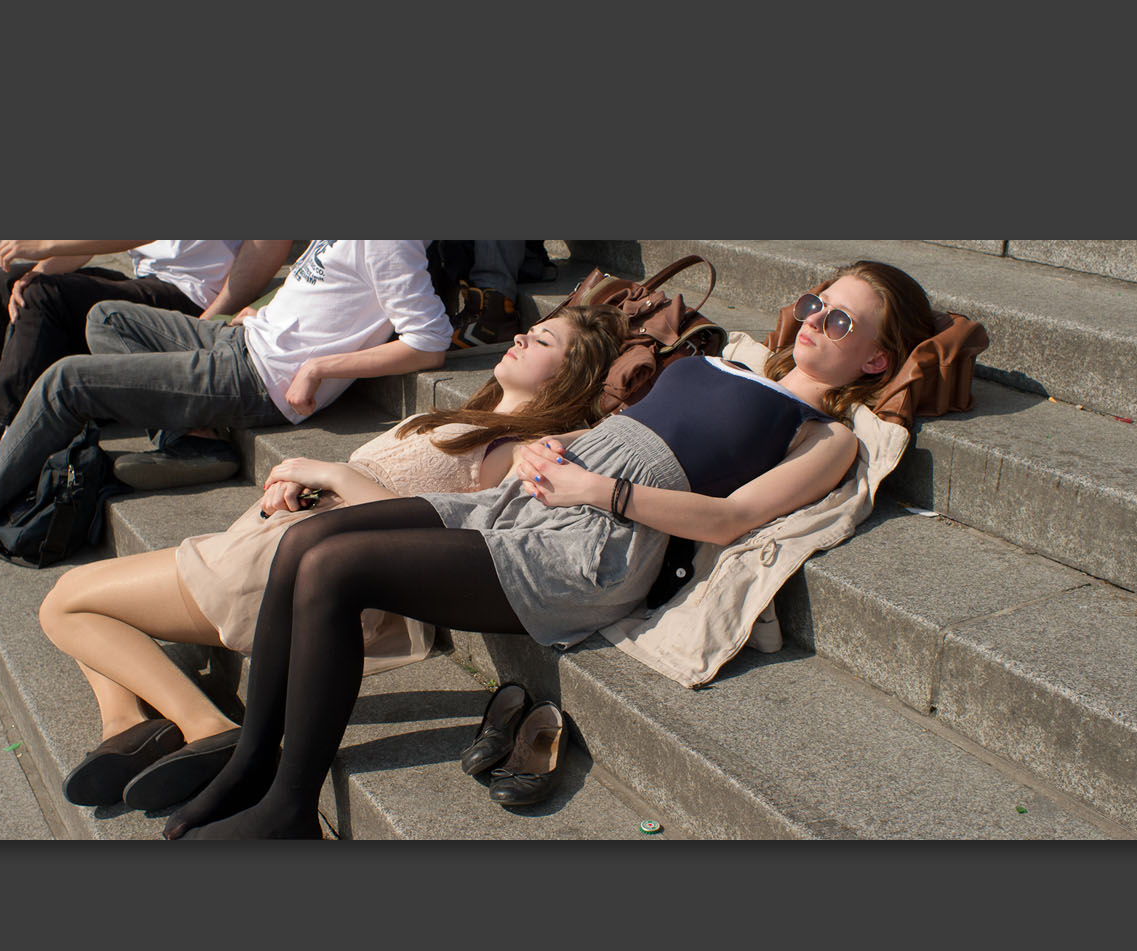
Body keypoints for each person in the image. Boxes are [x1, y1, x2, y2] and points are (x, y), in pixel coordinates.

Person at [155, 260, 943, 839]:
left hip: (595, 546)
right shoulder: (723, 360)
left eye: (842, 320)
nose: (814, 320)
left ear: (877, 360)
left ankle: (289, 808)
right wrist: (552, 450)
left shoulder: (827, 436)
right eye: (816, 301)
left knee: (336, 566)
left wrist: (600, 492)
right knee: (309, 540)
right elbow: (621, 432)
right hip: (532, 497)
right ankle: (251, 766)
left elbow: (731, 519)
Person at [34, 306, 629, 810]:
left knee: (66, 606)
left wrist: (329, 473)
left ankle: (206, 727)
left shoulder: (516, 449)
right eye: (533, 327)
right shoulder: (474, 419)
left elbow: (428, 530)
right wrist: (306, 484)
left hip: (298, 562)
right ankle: (127, 728)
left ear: (568, 378)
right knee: (87, 602)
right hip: (285, 534)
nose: (522, 334)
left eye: (544, 339)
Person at [0, 240, 453, 558]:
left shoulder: (389, 240)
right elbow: (326, 291)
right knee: (108, 316)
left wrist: (323, 366)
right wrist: (268, 309)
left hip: (258, 379)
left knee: (68, 380)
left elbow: (429, 344)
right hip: (241, 339)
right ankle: (189, 438)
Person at [0, 241, 292, 471]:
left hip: (190, 298)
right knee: (6, 281)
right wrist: (33, 274)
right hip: (147, 284)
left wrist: (209, 321)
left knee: (46, 296)